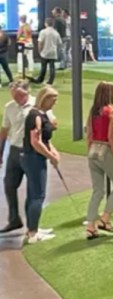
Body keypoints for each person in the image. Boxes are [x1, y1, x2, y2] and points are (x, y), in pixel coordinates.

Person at [84, 81, 113, 240]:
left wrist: (89, 152)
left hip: (93, 150)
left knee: (98, 190)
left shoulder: (93, 111)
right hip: (105, 150)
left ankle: (90, 226)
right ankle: (105, 219)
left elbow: (88, 134)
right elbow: (111, 137)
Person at [21, 86, 59, 244]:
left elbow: (45, 139)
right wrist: (50, 156)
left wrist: (54, 152)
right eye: (53, 100)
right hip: (33, 158)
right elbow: (35, 142)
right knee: (38, 195)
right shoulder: (35, 116)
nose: (54, 103)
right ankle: (33, 233)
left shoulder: (42, 115)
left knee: (32, 194)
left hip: (34, 157)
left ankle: (32, 228)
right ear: (45, 99)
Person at [0, 80, 35, 235]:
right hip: (14, 150)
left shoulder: (36, 105)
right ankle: (14, 219)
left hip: (32, 151)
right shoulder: (9, 107)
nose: (16, 99)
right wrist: (0, 152)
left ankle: (33, 225)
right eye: (14, 95)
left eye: (19, 95)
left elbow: (51, 123)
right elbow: (4, 130)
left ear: (27, 92)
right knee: (9, 184)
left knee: (34, 188)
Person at [32, 17, 61, 85]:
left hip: (45, 52)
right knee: (52, 67)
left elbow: (40, 42)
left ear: (46, 23)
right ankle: (51, 80)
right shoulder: (56, 32)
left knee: (43, 67)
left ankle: (40, 79)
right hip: (53, 51)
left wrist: (40, 50)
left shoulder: (43, 32)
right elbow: (59, 43)